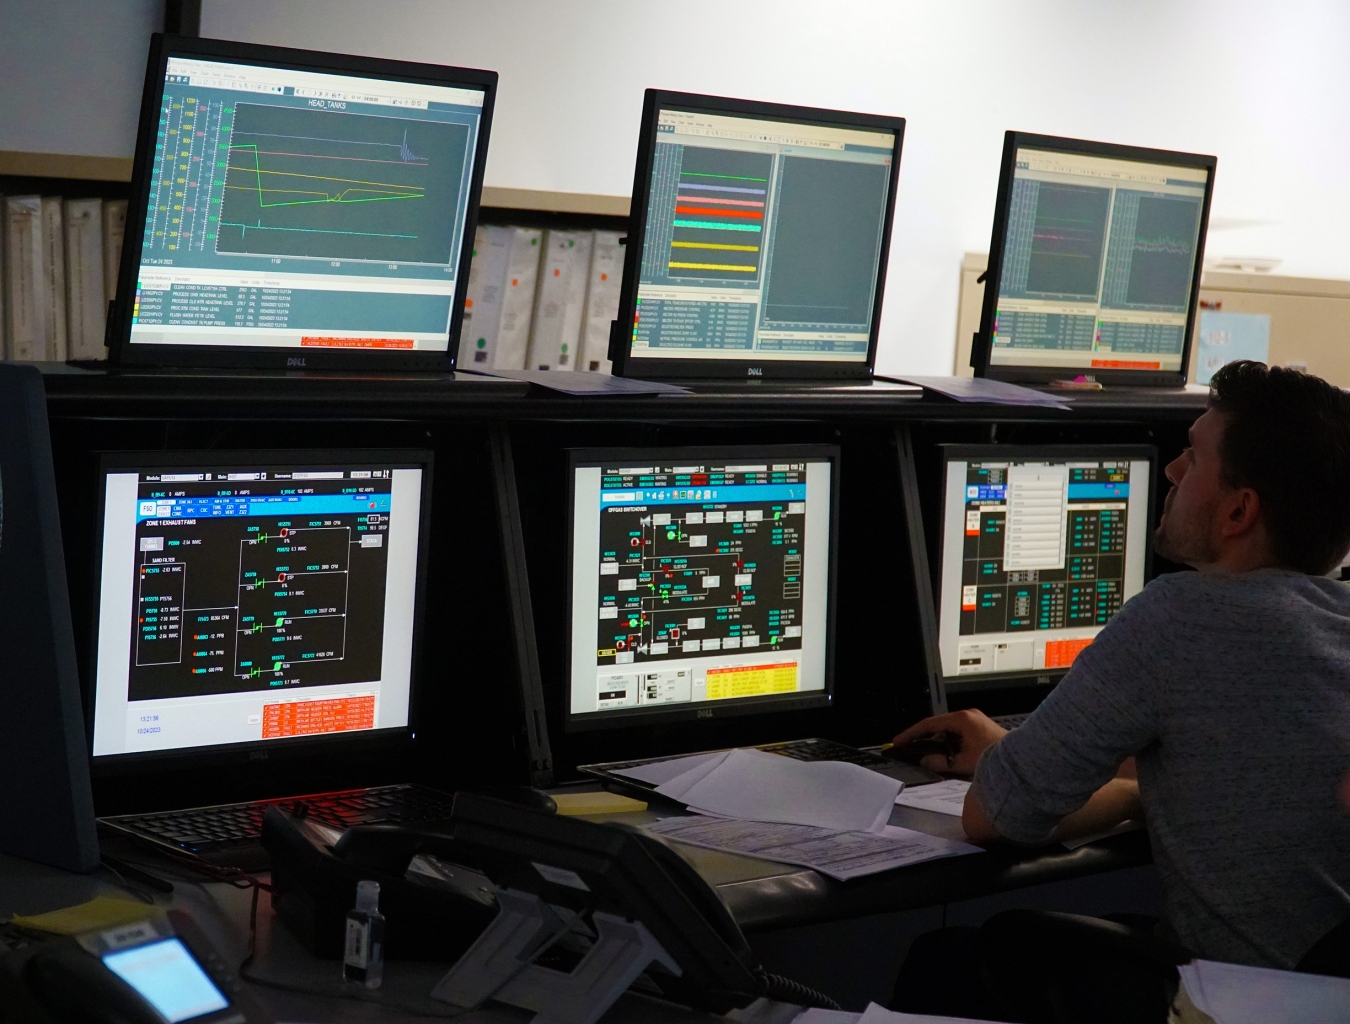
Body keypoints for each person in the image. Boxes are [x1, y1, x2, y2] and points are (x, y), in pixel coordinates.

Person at [893, 361, 1350, 973]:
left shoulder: (1180, 617)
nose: (1172, 470)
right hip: (1319, 994)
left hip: (1236, 999)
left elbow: (994, 815)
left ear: (1239, 512)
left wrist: (1123, 792)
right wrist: (1138, 786)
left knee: (950, 959)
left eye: (1193, 457)